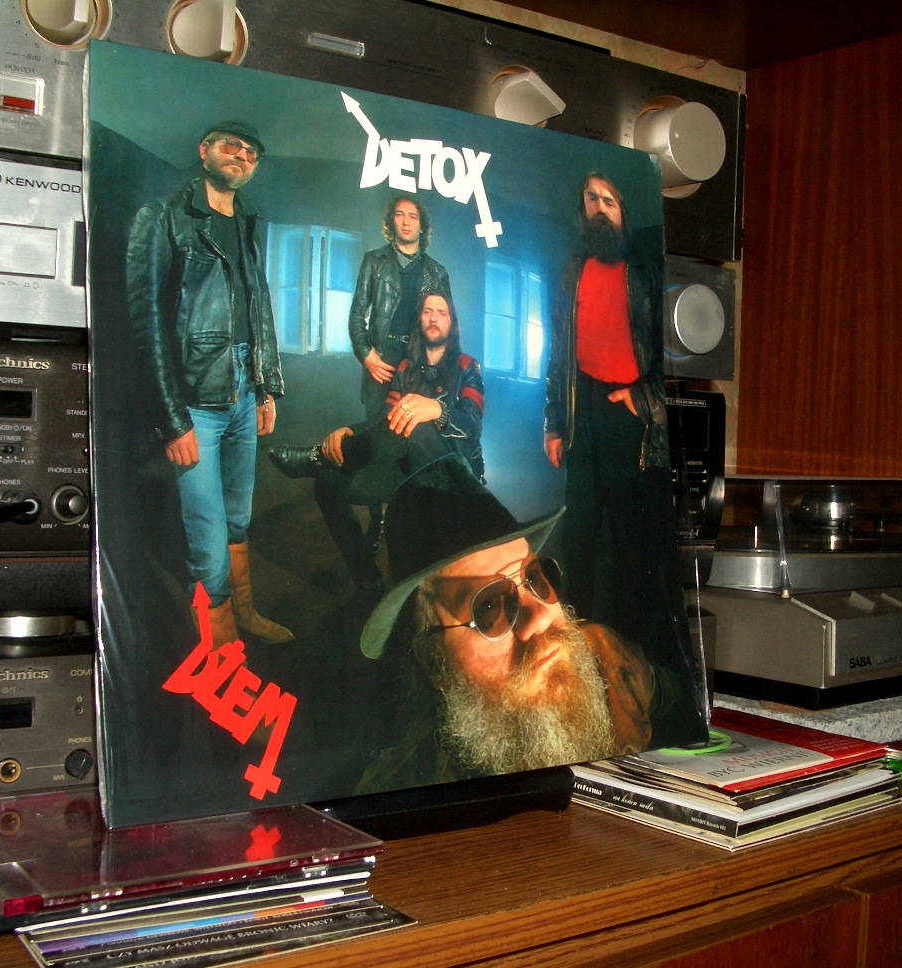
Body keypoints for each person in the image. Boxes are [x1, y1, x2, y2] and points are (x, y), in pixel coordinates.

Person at [355, 456, 681, 795]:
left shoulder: (602, 651)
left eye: (535, 578)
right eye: (488, 606)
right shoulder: (410, 795)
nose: (540, 617)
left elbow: (674, 701)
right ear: (432, 659)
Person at [127, 120, 291, 648]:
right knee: (208, 536)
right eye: (230, 145)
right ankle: (219, 650)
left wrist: (266, 387)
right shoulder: (163, 217)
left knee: (239, 519)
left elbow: (259, 308)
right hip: (195, 400)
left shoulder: (246, 222)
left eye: (250, 151)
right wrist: (171, 418)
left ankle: (243, 614)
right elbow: (146, 324)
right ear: (204, 152)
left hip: (244, 389)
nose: (240, 155)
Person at [542, 170, 680, 657]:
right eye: (591, 199)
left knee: (627, 539)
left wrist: (645, 398)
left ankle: (630, 650)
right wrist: (554, 422)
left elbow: (674, 354)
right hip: (581, 411)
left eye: (609, 200)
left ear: (623, 211)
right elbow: (558, 354)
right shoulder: (571, 271)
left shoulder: (646, 271)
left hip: (628, 416)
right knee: (577, 534)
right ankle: (577, 648)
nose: (599, 208)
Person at [269, 292, 483, 597]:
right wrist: (349, 431)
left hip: (453, 471)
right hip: (407, 468)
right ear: (419, 320)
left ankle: (316, 456)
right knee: (328, 482)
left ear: (452, 324)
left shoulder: (467, 366)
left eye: (442, 312)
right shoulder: (406, 367)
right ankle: (366, 576)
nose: (434, 317)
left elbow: (472, 424)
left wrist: (438, 409)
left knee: (413, 423)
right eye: (427, 311)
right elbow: (384, 419)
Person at [346, 196, 453, 549]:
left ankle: (411, 518)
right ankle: (377, 518)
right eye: (399, 215)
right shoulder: (374, 261)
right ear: (391, 222)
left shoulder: (437, 272)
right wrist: (367, 356)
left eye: (413, 216)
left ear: (423, 225)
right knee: (378, 438)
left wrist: (438, 368)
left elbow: (445, 322)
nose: (406, 221)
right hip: (382, 360)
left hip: (419, 361)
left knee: (414, 437)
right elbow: (357, 315)